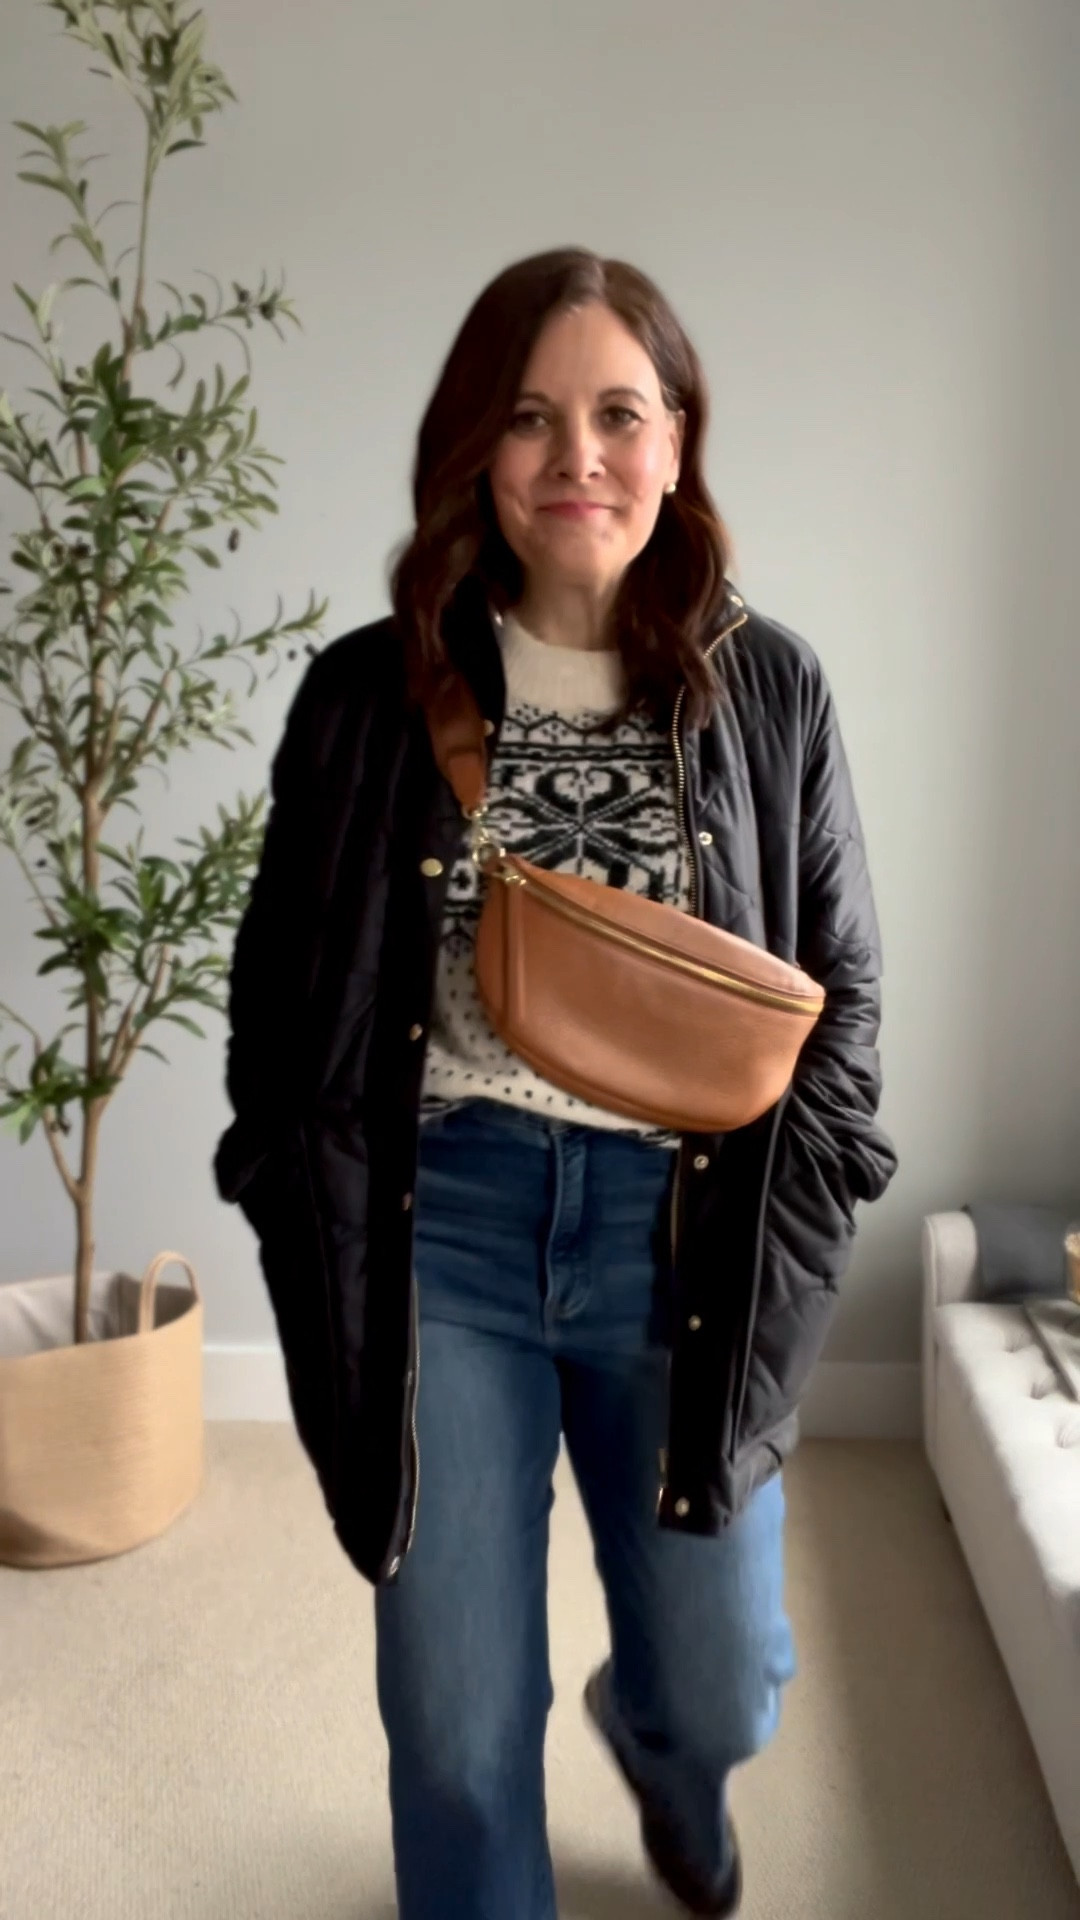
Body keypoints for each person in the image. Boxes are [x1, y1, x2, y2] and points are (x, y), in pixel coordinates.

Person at [213, 247, 898, 1920]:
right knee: (451, 1732)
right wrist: (300, 1219)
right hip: (443, 1235)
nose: (575, 454)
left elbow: (845, 1018)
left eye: (616, 412)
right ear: (474, 451)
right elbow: (280, 1012)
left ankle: (666, 1763)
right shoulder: (370, 698)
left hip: (683, 1239)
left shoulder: (772, 688)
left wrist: (787, 1272)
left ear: (677, 444)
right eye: (530, 417)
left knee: (725, 1682)